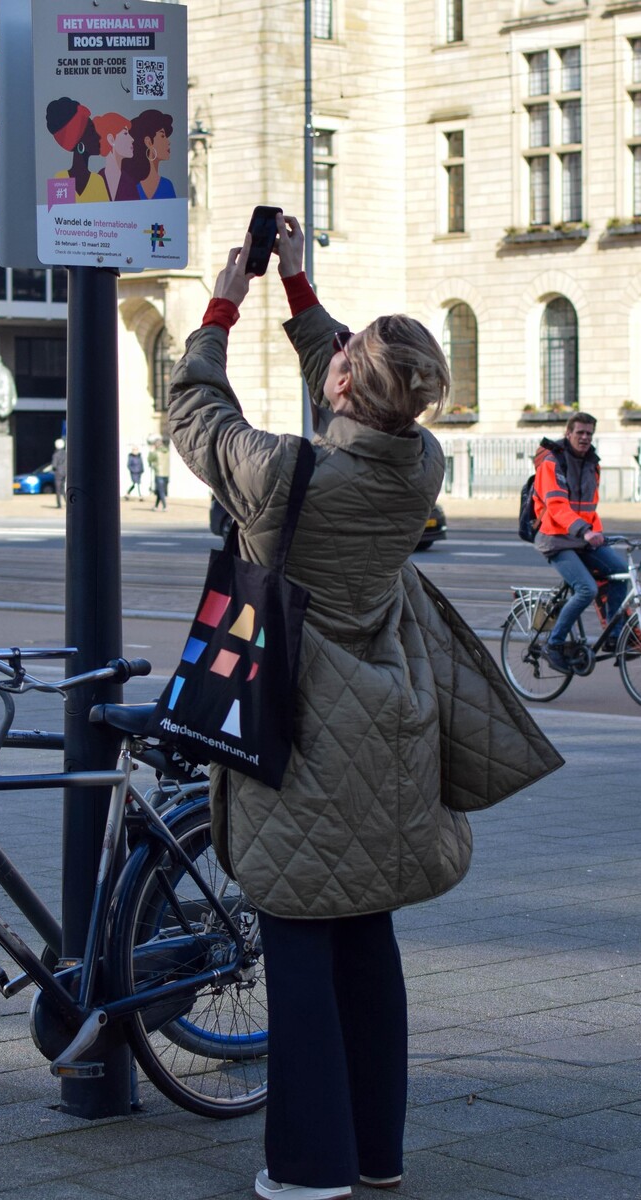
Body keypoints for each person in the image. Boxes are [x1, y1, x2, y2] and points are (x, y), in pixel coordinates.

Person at [166, 213, 560, 1200]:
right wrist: (299, 291)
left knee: (298, 943)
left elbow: (195, 414)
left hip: (301, 736)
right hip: (392, 730)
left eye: (344, 357)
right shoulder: (416, 462)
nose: (333, 357)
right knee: (366, 944)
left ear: (346, 388)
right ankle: (377, 1157)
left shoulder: (283, 474)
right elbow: (353, 389)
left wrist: (223, 298)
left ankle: (308, 1169)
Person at [533, 413, 628, 673]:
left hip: (581, 538)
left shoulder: (592, 464)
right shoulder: (553, 462)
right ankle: (553, 644)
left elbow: (589, 509)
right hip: (554, 539)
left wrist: (598, 535)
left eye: (589, 433)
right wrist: (585, 531)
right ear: (568, 433)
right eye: (580, 433)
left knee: (621, 574)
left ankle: (614, 635)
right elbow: (556, 506)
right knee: (587, 589)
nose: (585, 437)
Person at [45, 97, 105, 202]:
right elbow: (58, 216)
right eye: (91, 132)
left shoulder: (98, 181)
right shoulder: (60, 180)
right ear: (79, 142)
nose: (98, 136)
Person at [125, 110, 176, 200]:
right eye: (162, 136)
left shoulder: (167, 186)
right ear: (148, 142)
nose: (168, 142)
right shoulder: (129, 186)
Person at [93, 112, 139, 201]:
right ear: (111, 139)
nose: (132, 139)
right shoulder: (95, 182)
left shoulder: (130, 183)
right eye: (125, 133)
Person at [147, 436, 169, 510]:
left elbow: (149, 459)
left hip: (159, 473)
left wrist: (151, 451)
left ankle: (164, 506)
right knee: (160, 490)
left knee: (160, 491)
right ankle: (156, 506)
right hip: (166, 474)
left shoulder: (156, 452)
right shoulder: (167, 451)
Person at [51, 438, 66, 509]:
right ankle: (67, 502)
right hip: (65, 472)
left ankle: (59, 505)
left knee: (58, 489)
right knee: (63, 488)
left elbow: (54, 465)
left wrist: (54, 470)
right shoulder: (66, 453)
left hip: (58, 473)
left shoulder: (56, 454)